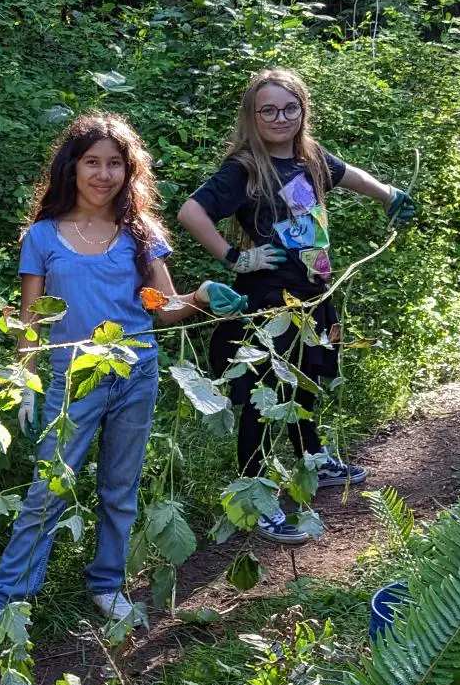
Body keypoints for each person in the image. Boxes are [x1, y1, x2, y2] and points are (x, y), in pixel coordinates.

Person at [0, 115, 244, 642]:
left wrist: (204, 295)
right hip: (72, 376)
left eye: (115, 163)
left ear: (130, 170)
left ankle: (107, 582)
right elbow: (31, 321)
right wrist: (24, 379)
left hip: (137, 371)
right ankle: (8, 600)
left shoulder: (141, 236)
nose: (103, 174)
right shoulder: (43, 236)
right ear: (71, 168)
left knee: (120, 487)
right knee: (48, 490)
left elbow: (164, 310)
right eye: (92, 162)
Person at [176, 68, 416, 546]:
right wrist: (235, 256)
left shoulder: (308, 157)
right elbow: (190, 211)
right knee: (264, 402)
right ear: (252, 116)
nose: (280, 117)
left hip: (313, 297)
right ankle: (255, 496)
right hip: (269, 303)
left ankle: (313, 461)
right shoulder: (244, 168)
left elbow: (350, 175)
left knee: (306, 383)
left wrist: (389, 195)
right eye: (268, 109)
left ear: (303, 110)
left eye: (290, 108)